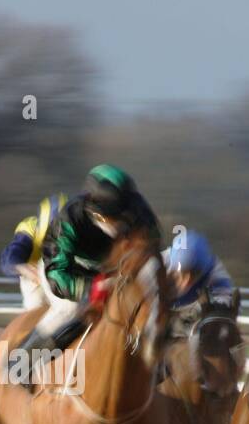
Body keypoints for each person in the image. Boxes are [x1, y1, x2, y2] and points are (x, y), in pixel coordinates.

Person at [10, 164, 160, 386]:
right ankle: (20, 365)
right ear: (95, 213)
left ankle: (163, 367)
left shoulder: (138, 210)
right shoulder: (70, 218)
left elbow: (153, 248)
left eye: (125, 217)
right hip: (66, 272)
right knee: (70, 309)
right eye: (116, 220)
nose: (122, 226)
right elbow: (56, 275)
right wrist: (92, 288)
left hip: (115, 271)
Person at [0, 192, 67, 310]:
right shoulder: (29, 230)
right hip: (34, 281)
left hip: (65, 278)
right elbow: (9, 257)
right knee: (35, 305)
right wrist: (22, 267)